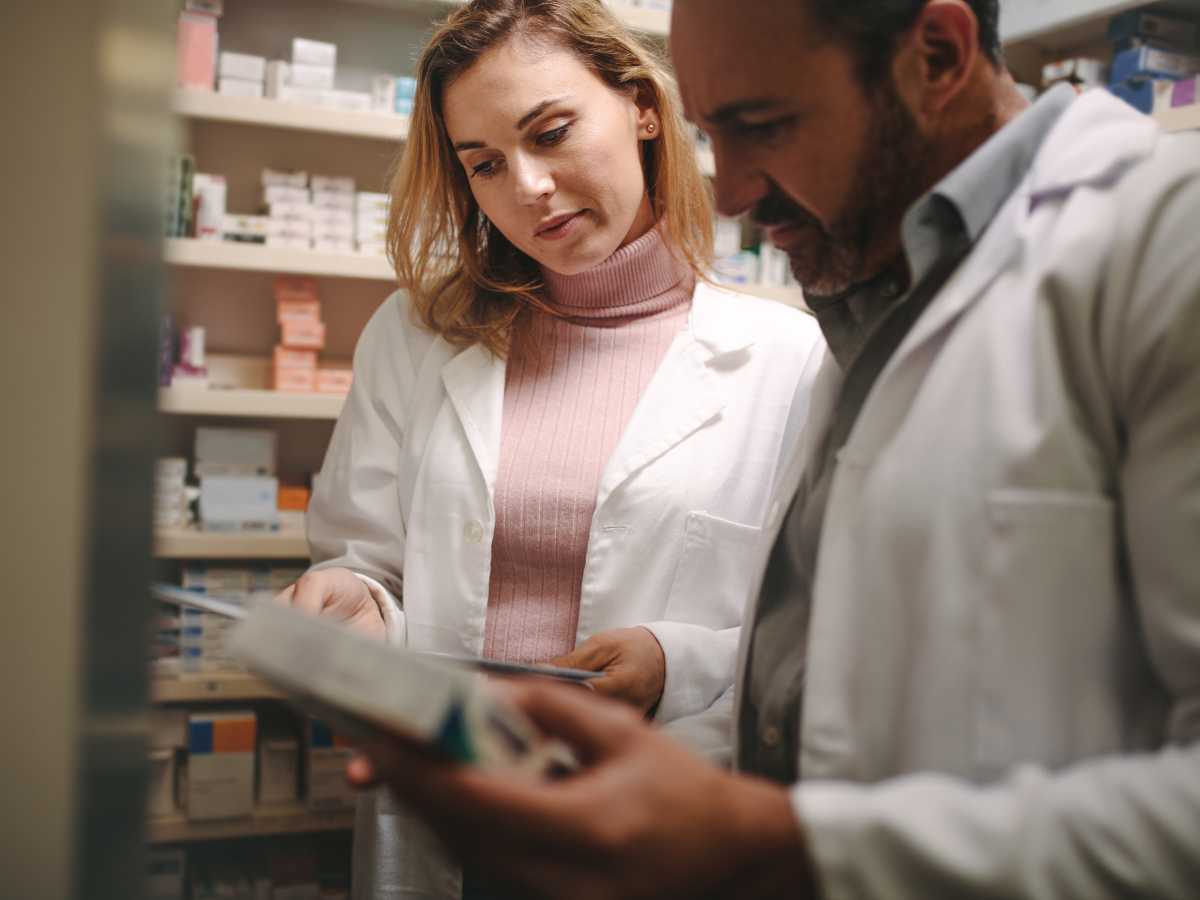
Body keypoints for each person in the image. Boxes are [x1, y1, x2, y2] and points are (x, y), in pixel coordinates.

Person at [349, 0, 1200, 897]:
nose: (731, 195)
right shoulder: (877, 301)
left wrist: (782, 842)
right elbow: (814, 685)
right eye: (716, 133)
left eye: (764, 125)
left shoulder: (1166, 250)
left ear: (938, 55)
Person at [276, 0, 822, 896]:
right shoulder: (416, 335)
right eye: (483, 163)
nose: (524, 187)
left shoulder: (789, 361)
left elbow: (811, 634)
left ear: (644, 109)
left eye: (552, 132)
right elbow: (366, 558)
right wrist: (357, 601)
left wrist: (672, 660)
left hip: (652, 826)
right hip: (452, 807)